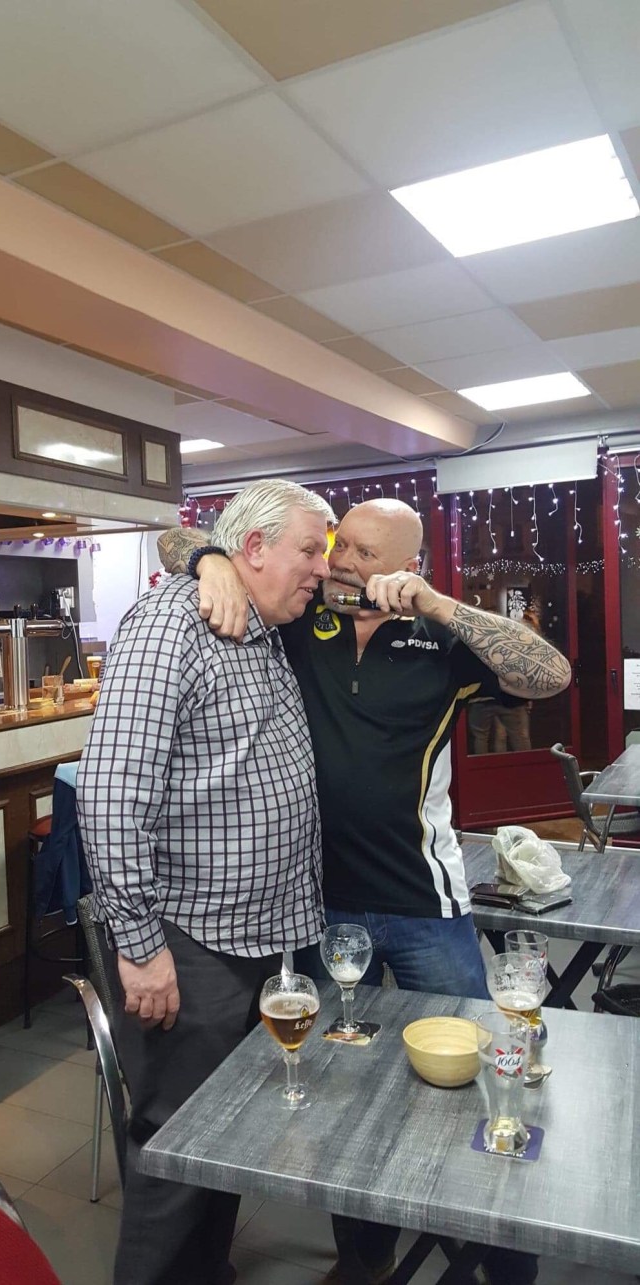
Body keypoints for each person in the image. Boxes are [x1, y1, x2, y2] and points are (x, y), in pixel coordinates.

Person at [160, 497, 571, 1285]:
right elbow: (173, 537)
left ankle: (501, 1256)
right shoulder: (300, 612)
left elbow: (547, 673)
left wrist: (438, 604)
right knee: (334, 1084)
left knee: (480, 1072)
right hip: (317, 904)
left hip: (424, 904)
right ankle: (365, 1255)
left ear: (406, 566)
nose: (340, 561)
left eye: (363, 553)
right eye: (337, 543)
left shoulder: (440, 639)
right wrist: (213, 562)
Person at [76, 478, 335, 1285]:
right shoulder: (172, 624)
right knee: (173, 1152)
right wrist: (140, 947)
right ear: (253, 547)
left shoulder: (263, 621)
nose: (321, 569)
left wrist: (210, 555)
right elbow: (110, 797)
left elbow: (188, 541)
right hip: (190, 943)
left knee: (226, 1140)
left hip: (261, 936)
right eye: (308, 551)